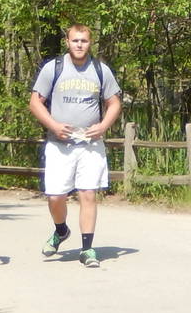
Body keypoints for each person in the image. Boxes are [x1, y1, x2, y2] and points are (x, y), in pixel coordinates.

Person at [28, 24, 121, 268]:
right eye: (75, 40)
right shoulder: (54, 68)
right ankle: (60, 230)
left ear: (90, 43)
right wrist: (53, 125)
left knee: (88, 193)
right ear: (67, 42)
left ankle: (88, 249)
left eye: (84, 41)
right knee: (55, 196)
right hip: (60, 144)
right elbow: (35, 102)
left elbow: (114, 103)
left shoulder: (101, 70)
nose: (79, 45)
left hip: (90, 144)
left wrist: (103, 126)